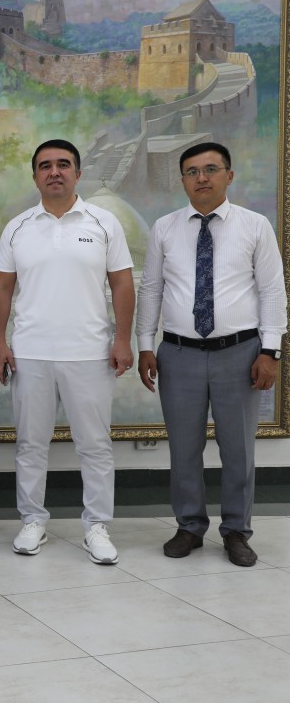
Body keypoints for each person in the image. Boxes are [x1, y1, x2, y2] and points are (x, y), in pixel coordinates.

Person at [136, 142, 286, 567]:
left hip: (239, 352)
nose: (201, 178)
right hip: (178, 353)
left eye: (211, 169)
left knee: (238, 448)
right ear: (182, 180)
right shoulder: (164, 228)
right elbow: (151, 288)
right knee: (183, 448)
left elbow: (272, 289)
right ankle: (189, 526)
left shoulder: (255, 226)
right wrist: (144, 345)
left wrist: (271, 351)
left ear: (229, 176)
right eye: (192, 171)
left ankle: (237, 530)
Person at [0, 139, 134, 565]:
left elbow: (122, 283)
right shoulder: (18, 227)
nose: (54, 171)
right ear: (35, 175)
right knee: (30, 444)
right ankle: (32, 520)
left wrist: (122, 339)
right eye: (45, 165)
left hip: (90, 352)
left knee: (95, 445)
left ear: (78, 173)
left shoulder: (104, 222)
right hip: (30, 352)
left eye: (63, 164)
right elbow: (2, 288)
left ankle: (97, 526)